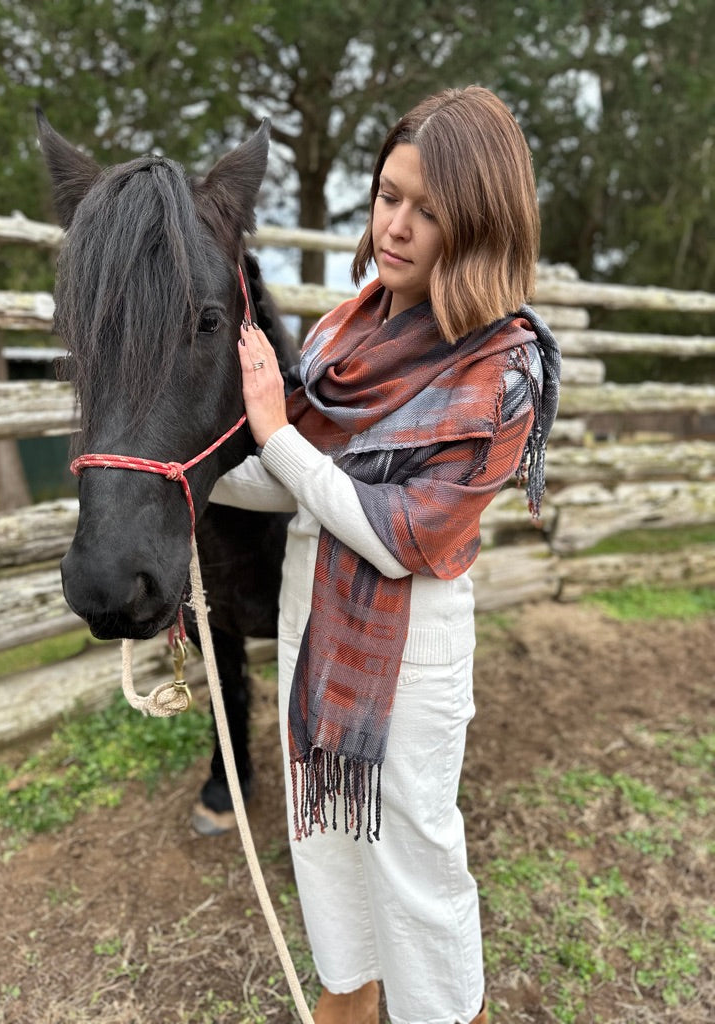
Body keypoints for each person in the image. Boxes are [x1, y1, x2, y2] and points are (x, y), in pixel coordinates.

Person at [208, 85, 561, 1024]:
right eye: (388, 195)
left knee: (414, 856)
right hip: (313, 625)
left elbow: (405, 536)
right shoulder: (340, 333)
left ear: (479, 225)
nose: (396, 225)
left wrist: (277, 438)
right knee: (320, 834)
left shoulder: (501, 369)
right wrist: (179, 476)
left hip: (412, 651)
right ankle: (347, 1004)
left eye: (430, 210)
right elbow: (296, 480)